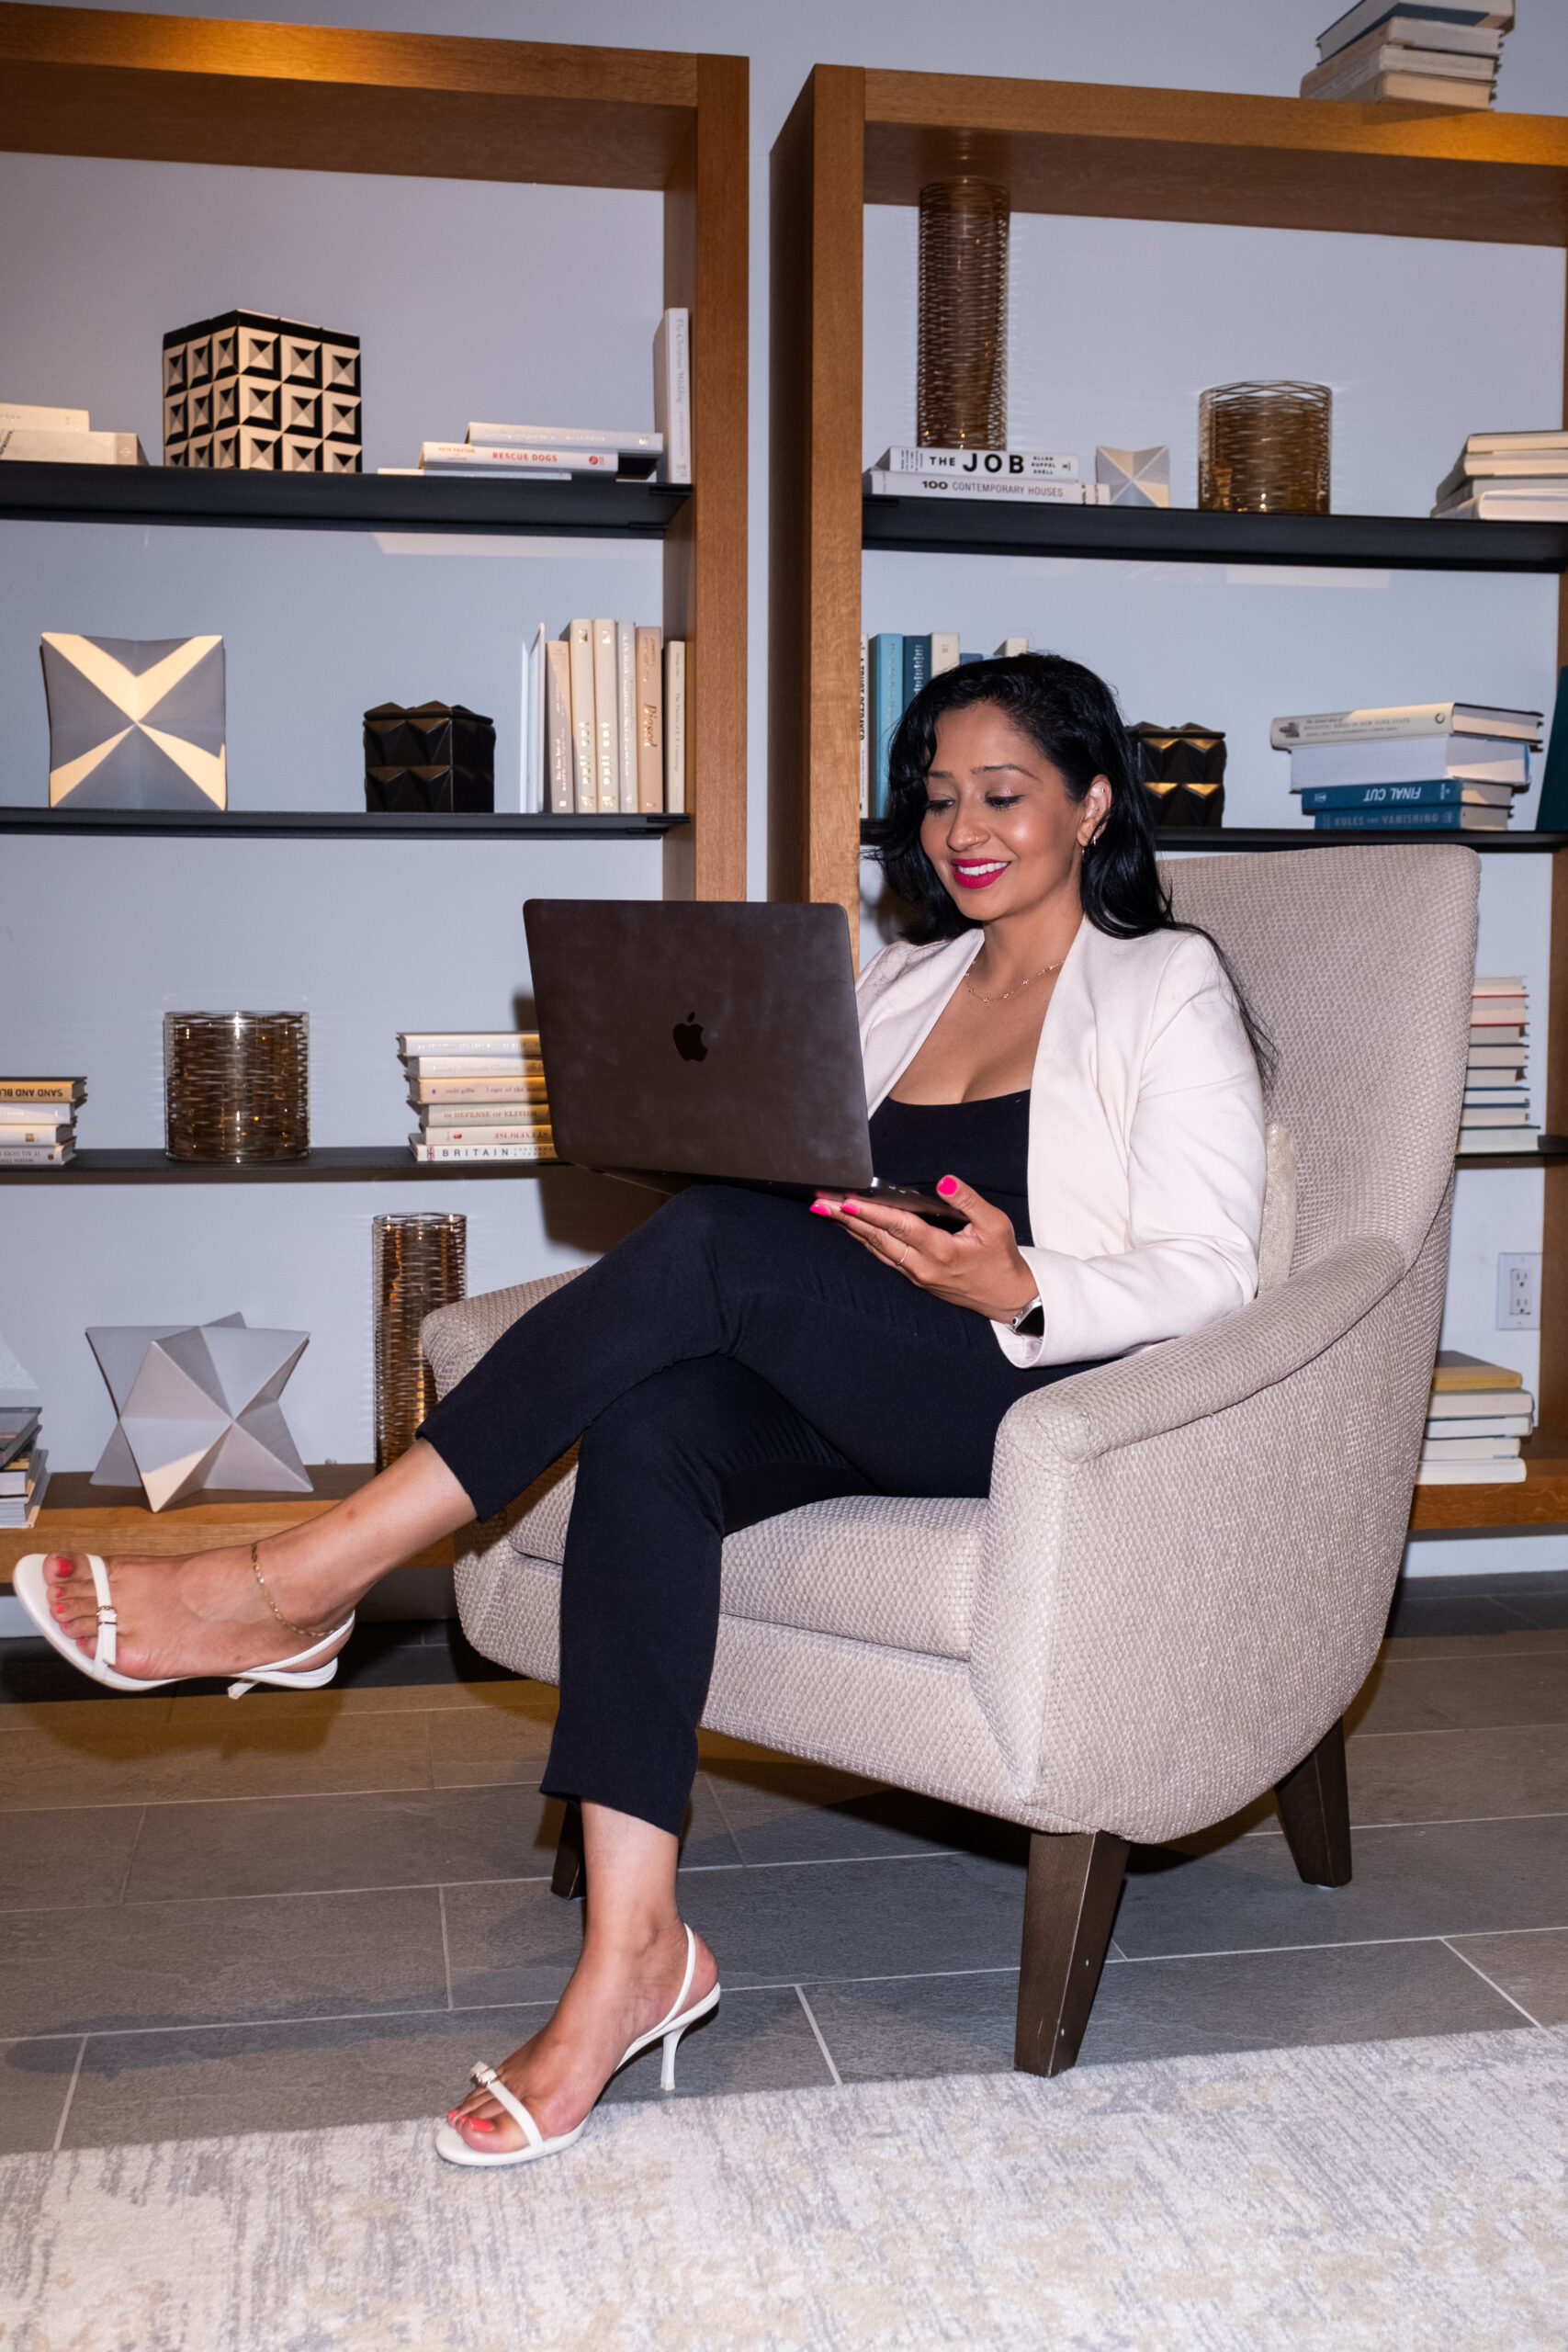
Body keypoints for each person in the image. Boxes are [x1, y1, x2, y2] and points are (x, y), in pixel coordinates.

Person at [22, 651, 1267, 2166]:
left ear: (1092, 803)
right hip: (861, 1359)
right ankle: (636, 1956)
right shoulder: (908, 976)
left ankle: (300, 1580)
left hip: (1028, 1386)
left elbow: (1216, 1268)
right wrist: (682, 1127)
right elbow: (800, 1192)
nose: (963, 829)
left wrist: (1023, 1284)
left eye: (1004, 794)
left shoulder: (1163, 978)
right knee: (655, 1424)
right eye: (937, 799)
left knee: (718, 1246)